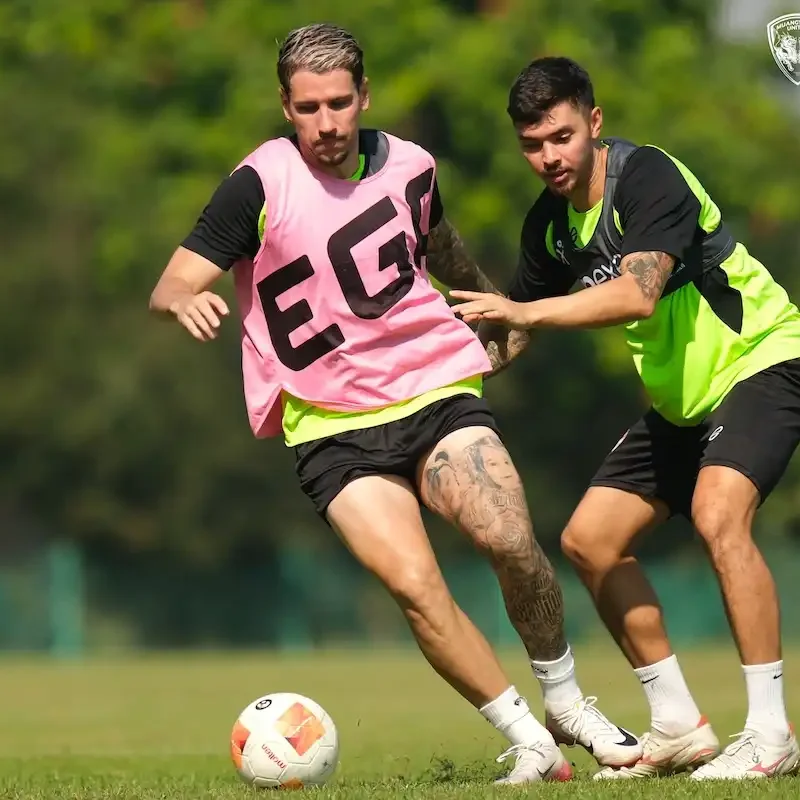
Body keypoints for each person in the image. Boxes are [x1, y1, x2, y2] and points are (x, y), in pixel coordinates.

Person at [148, 25, 642, 784]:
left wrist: (497, 310)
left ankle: (567, 703)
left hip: (432, 387)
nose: (326, 123)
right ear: (285, 106)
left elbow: (439, 245)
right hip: (331, 426)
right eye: (308, 107)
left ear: (364, 97)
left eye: (339, 103)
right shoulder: (259, 183)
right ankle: (530, 742)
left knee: (510, 538)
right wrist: (185, 300)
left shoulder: (411, 165)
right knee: (416, 587)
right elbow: (172, 282)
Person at [451, 55, 800, 781]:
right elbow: (511, 333)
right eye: (532, 144)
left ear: (595, 122)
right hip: (682, 401)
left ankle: (771, 735)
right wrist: (424, 371)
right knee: (590, 541)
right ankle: (677, 726)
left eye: (562, 136)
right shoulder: (550, 226)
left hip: (762, 357)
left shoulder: (649, 177)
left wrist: (525, 312)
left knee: (718, 513)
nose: (549, 156)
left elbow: (637, 294)